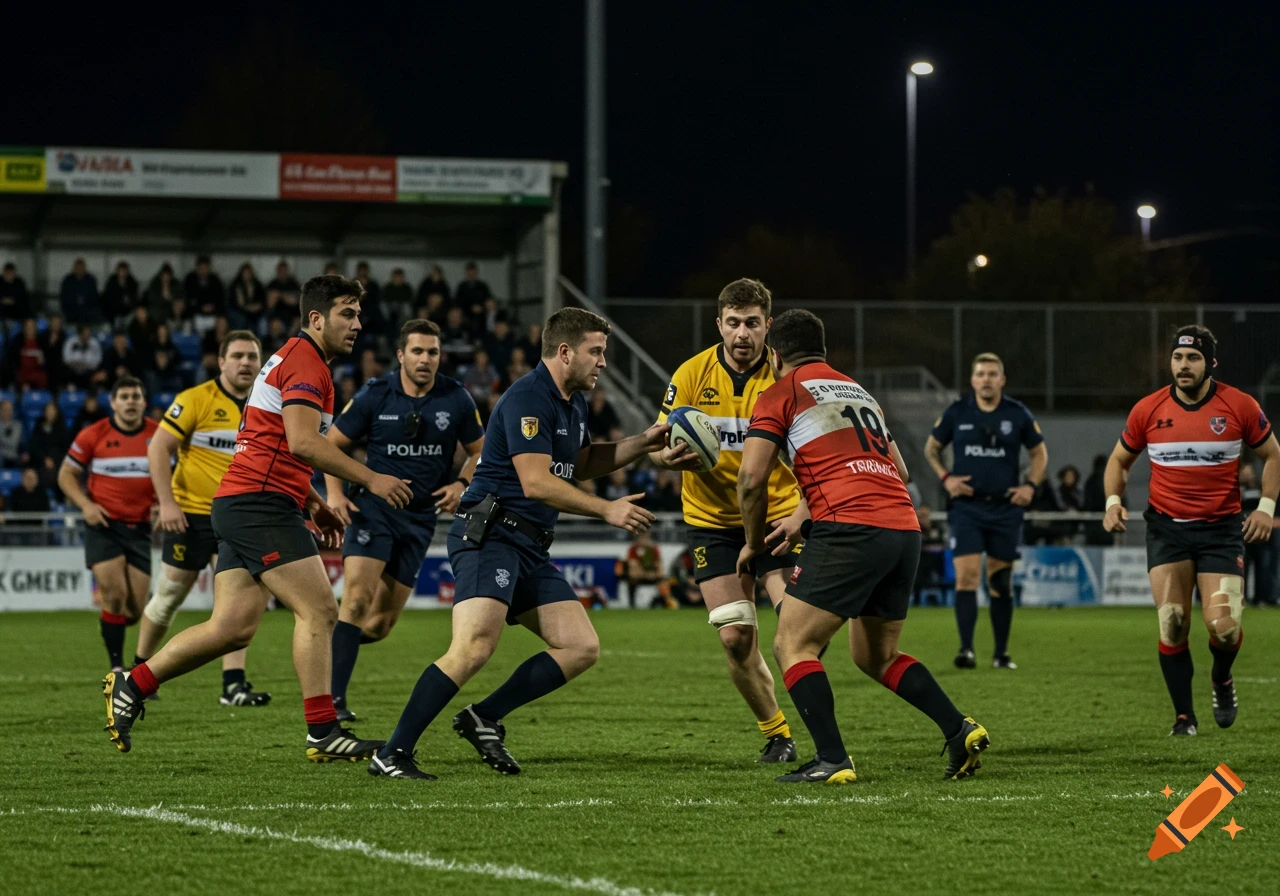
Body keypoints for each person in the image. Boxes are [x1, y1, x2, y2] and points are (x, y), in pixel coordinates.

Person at [101, 275, 414, 760]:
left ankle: (132, 683)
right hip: (258, 505)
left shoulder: (296, 358)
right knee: (320, 612)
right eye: (347, 314)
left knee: (232, 628)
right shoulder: (307, 363)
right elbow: (303, 443)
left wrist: (312, 502)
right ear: (316, 318)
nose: (357, 324)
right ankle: (323, 731)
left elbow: (270, 443)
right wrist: (372, 480)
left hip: (249, 501)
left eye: (358, 314)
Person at [369, 307, 667, 780]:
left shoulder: (572, 401)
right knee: (473, 646)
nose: (603, 362)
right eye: (597, 351)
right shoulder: (529, 397)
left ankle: (483, 716)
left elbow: (581, 461)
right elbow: (536, 482)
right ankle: (393, 751)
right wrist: (606, 509)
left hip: (527, 545)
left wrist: (645, 442)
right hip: (491, 536)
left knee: (580, 646)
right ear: (565, 352)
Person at [737, 309, 989, 784]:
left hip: (850, 528)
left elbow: (750, 480)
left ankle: (832, 759)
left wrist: (753, 544)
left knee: (793, 642)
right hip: (903, 528)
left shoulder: (780, 392)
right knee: (876, 656)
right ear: (824, 351)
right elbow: (902, 471)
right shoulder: (856, 391)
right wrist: (802, 513)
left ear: (774, 354)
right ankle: (958, 730)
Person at [647, 278, 807, 765]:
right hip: (713, 521)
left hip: (779, 516)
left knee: (795, 628)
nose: (742, 333)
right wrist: (666, 461)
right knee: (736, 635)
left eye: (752, 324)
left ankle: (826, 731)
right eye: (733, 323)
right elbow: (658, 444)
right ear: (719, 324)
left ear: (768, 326)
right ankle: (778, 733)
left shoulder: (787, 380)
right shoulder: (691, 374)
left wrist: (804, 511)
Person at [1103, 325, 1279, 736]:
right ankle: (1184, 717)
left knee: (1224, 628)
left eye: (1194, 358)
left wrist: (1266, 508)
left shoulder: (1240, 406)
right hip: (1167, 530)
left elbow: (1273, 455)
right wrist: (1113, 502)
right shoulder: (1148, 410)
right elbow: (1118, 461)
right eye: (1178, 358)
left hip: (1221, 530)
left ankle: (1222, 677)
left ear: (1210, 364)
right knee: (1173, 622)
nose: (1184, 366)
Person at [324, 319, 485, 722]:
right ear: (401, 355)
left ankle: (322, 650)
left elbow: (482, 450)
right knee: (357, 598)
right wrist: (336, 494)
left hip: (418, 519)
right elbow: (331, 446)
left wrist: (462, 482)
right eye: (417, 351)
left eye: (432, 352)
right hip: (372, 510)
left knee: (379, 625)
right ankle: (333, 703)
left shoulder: (457, 398)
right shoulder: (375, 394)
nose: (425, 359)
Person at [136, 329, 270, 707]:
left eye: (252, 357)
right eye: (238, 356)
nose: (246, 363)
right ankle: (139, 671)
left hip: (239, 518)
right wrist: (167, 503)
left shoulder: (267, 404)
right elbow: (158, 448)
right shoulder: (195, 399)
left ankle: (234, 685)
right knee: (169, 595)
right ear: (221, 361)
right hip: (191, 514)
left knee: (237, 603)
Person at [923, 352, 1048, 670]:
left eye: (993, 374)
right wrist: (946, 478)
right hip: (967, 508)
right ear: (973, 380)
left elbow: (1039, 453)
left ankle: (1001, 653)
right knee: (965, 578)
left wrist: (1030, 487)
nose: (987, 379)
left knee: (1000, 581)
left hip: (1005, 509)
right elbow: (931, 448)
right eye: (981, 374)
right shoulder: (957, 412)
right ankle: (966, 650)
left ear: (1002, 379)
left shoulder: (1017, 413)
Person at [58, 377, 159, 671]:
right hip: (104, 526)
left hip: (140, 528)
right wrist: (86, 505)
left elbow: (177, 474)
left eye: (135, 396)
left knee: (134, 612)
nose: (130, 401)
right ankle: (117, 669)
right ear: (113, 403)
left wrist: (164, 503)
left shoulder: (159, 436)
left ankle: (115, 637)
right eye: (124, 397)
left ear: (144, 403)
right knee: (114, 597)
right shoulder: (94, 434)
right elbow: (66, 474)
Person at [622, 529, 663, 607]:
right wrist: (646, 574)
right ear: (638, 539)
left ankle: (662, 602)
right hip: (640, 576)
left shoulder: (654, 549)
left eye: (646, 538)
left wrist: (656, 574)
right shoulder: (633, 549)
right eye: (642, 538)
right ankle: (632, 604)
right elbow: (633, 567)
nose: (644, 540)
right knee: (632, 578)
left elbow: (659, 566)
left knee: (664, 581)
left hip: (652, 575)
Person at [60, 259, 101, 325]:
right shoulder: (68, 280)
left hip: (87, 312)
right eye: (77, 268)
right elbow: (64, 298)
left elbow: (95, 298)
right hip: (71, 311)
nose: (79, 270)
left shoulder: (90, 280)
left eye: (81, 267)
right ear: (74, 268)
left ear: (85, 268)